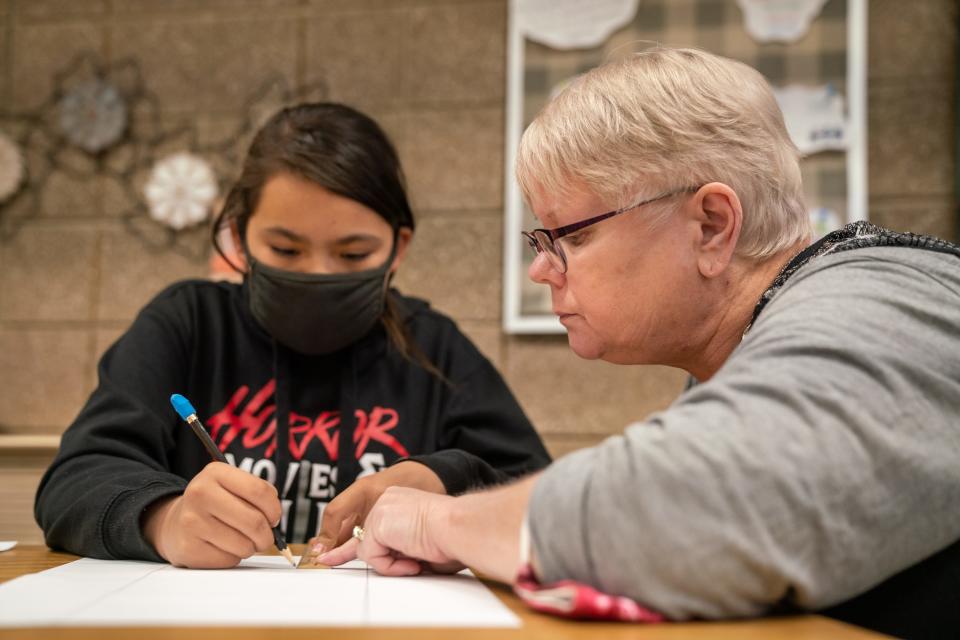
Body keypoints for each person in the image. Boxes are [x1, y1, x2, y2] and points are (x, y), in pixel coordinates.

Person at [316, 49, 960, 638]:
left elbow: (680, 507)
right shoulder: (755, 339)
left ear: (711, 225)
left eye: (572, 236)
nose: (542, 269)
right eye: (541, 242)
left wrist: (436, 524)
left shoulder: (891, 300)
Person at [34, 102, 550, 569]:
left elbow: (540, 491)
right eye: (285, 250)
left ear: (398, 248)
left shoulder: (431, 345)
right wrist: (164, 520)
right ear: (238, 237)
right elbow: (75, 480)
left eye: (352, 255)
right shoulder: (189, 322)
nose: (319, 275)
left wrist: (446, 480)